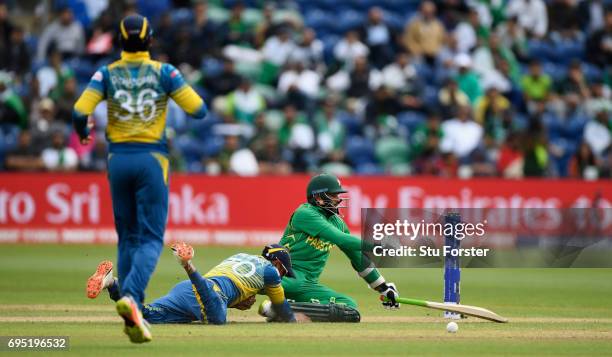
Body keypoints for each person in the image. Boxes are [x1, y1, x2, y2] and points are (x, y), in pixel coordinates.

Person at [72, 14, 208, 343]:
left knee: (128, 238)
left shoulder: (106, 73)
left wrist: (85, 133)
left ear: (120, 42)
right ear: (149, 41)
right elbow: (199, 109)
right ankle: (131, 300)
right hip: (151, 159)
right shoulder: (164, 72)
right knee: (149, 239)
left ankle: (132, 304)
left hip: (117, 159)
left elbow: (79, 110)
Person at [262, 173, 400, 322]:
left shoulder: (338, 222)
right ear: (318, 197)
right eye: (333, 195)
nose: (339, 199)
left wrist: (383, 287)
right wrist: (377, 246)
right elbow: (340, 238)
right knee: (249, 283)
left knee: (349, 308)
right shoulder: (305, 213)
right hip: (283, 276)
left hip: (308, 285)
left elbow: (358, 258)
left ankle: (279, 309)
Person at [86, 243, 297, 327]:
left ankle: (113, 283)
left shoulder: (241, 255)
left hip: (187, 290)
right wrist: (293, 320)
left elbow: (235, 284)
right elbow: (282, 307)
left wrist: (238, 301)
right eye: (283, 271)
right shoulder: (270, 271)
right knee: (218, 320)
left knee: (143, 315)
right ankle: (187, 264)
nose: (281, 276)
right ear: (277, 263)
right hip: (210, 293)